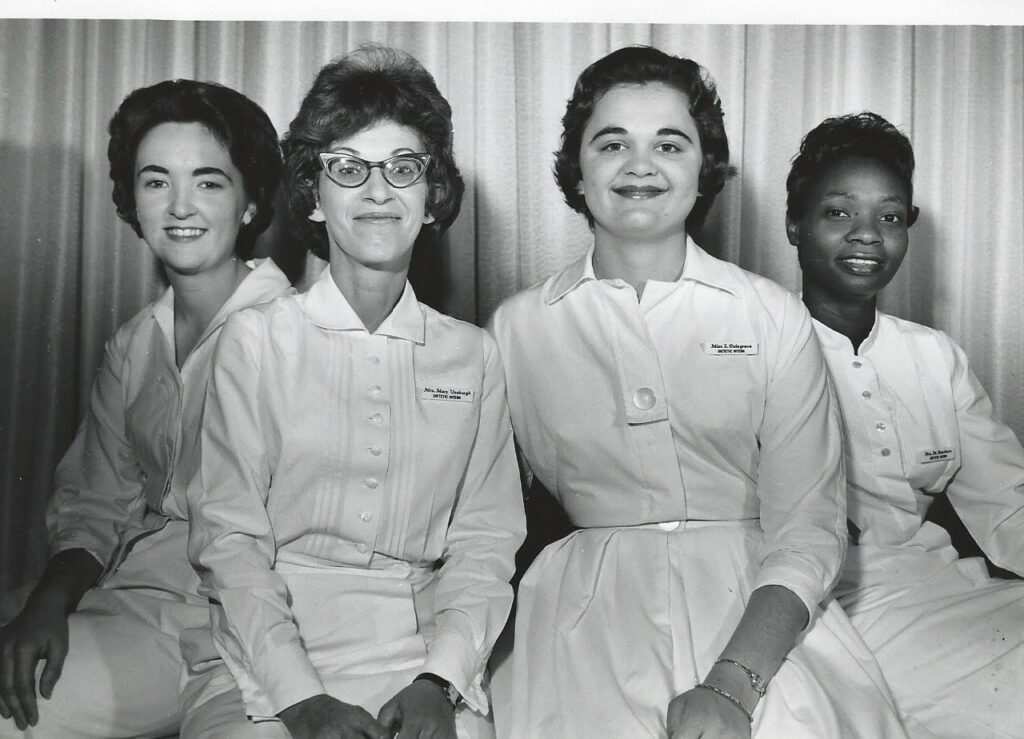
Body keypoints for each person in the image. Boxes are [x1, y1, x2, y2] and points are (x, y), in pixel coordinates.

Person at [488, 46, 907, 738]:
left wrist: (733, 684)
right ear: (579, 169)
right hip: (581, 616)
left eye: (670, 143)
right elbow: (480, 522)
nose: (640, 164)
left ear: (702, 167)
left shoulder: (769, 314)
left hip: (760, 609)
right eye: (612, 142)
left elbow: (809, 526)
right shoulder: (516, 328)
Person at [181, 45, 525, 739]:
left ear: (433, 198)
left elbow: (485, 545)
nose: (377, 191)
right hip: (268, 654)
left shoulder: (473, 355)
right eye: (348, 167)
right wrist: (302, 700)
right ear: (313, 191)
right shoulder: (255, 341)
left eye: (403, 168)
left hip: (421, 650)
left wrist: (440, 681)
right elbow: (230, 541)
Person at [0, 80, 291, 737]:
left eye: (210, 182)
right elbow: (96, 502)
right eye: (156, 181)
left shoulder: (305, 333)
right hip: (139, 617)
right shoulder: (132, 346)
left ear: (249, 204)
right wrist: (50, 598)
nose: (181, 205)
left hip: (260, 635)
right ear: (133, 202)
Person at [787, 111, 1024, 738]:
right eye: (839, 213)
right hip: (832, 606)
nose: (868, 235)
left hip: (951, 585)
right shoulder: (754, 348)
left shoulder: (934, 356)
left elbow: (1006, 507)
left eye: (889, 217)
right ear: (794, 224)